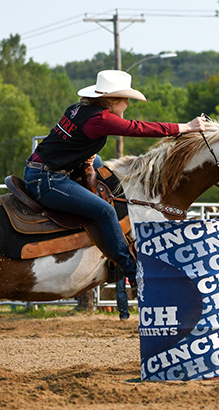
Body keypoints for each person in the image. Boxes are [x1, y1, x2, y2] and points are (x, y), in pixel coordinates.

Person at [24, 70, 205, 287]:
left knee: (100, 164)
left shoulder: (77, 109)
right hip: (47, 179)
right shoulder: (100, 119)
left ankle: (118, 219)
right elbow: (137, 128)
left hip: (41, 169)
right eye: (125, 99)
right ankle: (132, 270)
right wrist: (185, 127)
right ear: (111, 100)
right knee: (104, 210)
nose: (127, 104)